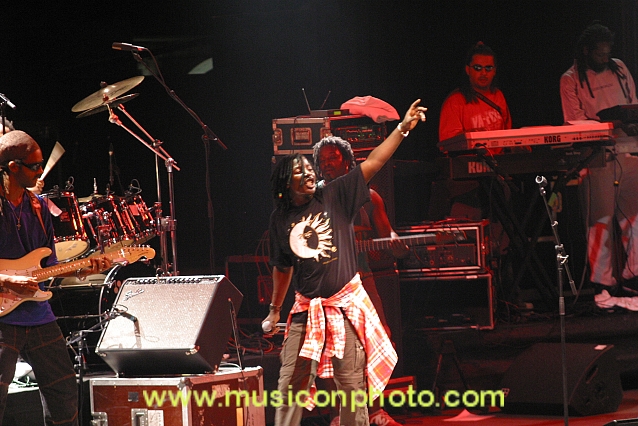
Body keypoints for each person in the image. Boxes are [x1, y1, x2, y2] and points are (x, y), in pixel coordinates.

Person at [263, 99, 427, 426]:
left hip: (345, 305)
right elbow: (282, 268)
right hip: (307, 309)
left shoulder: (336, 194)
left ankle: (368, 415)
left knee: (352, 385)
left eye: (309, 170)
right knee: (290, 384)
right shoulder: (280, 219)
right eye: (301, 171)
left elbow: (375, 161)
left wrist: (401, 130)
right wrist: (274, 309)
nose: (311, 173)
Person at [0, 130, 110, 425]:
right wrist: (7, 281)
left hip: (39, 316)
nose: (40, 172)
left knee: (64, 397)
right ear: (13, 167)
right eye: (34, 166)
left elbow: (49, 265)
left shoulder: (38, 208)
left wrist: (84, 269)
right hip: (3, 321)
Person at [313, 137, 409, 426]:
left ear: (347, 161)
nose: (327, 164)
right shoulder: (315, 196)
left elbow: (387, 235)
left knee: (378, 340)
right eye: (322, 161)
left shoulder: (370, 197)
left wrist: (395, 244)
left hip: (363, 279)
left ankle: (375, 411)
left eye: (333, 158)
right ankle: (337, 415)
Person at [560, 22, 638, 310]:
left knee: (635, 217)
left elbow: (632, 102)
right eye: (599, 54)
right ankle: (602, 283)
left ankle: (632, 276)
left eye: (607, 53)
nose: (605, 58)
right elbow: (574, 121)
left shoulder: (620, 68)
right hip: (597, 157)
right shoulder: (570, 79)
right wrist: (610, 124)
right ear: (586, 51)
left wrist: (629, 121)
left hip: (628, 151)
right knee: (600, 221)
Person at [438, 42, 511, 254]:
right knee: (467, 243)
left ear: (495, 71)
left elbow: (507, 136)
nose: (483, 73)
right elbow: (447, 144)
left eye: (488, 68)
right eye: (478, 68)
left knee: (499, 241)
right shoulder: (456, 101)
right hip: (468, 183)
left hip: (496, 177)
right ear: (468, 69)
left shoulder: (499, 97)